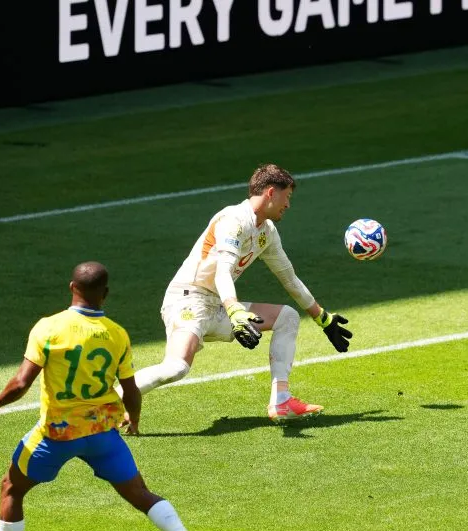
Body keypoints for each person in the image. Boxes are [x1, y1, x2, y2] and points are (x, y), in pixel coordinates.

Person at [0, 262, 218, 531]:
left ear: (72, 287)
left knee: (12, 487)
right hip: (104, 433)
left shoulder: (49, 328)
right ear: (106, 294)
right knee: (139, 493)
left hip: (58, 435)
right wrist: (134, 418)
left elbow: (20, 383)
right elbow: (131, 390)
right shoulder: (117, 334)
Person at [128, 163, 352, 424]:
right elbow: (222, 271)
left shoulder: (266, 231)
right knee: (176, 368)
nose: (288, 205)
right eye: (287, 197)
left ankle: (281, 401)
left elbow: (289, 278)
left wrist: (322, 318)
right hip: (188, 301)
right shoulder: (233, 220)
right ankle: (106, 401)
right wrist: (235, 310)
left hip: (217, 305)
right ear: (271, 192)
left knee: (287, 317)